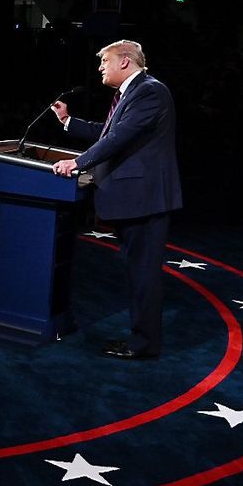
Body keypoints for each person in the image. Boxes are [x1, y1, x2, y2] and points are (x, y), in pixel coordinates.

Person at [50, 40, 182, 360]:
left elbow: (119, 137)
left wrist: (78, 163)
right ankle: (142, 340)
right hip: (136, 200)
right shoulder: (131, 94)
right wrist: (69, 122)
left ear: (124, 62)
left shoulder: (151, 91)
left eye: (104, 62)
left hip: (145, 200)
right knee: (138, 273)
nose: (100, 68)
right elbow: (108, 132)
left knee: (143, 275)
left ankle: (144, 344)